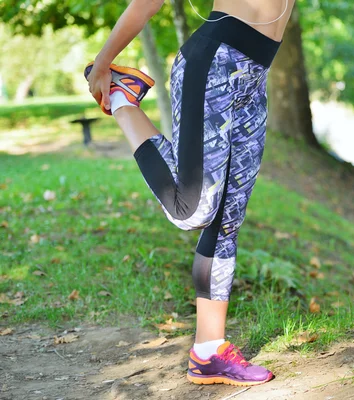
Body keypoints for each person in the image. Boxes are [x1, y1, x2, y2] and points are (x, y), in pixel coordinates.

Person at [85, 0, 295, 387]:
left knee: (227, 218)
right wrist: (104, 59)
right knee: (192, 210)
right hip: (214, 62)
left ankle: (209, 351)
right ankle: (121, 98)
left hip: (254, 73)